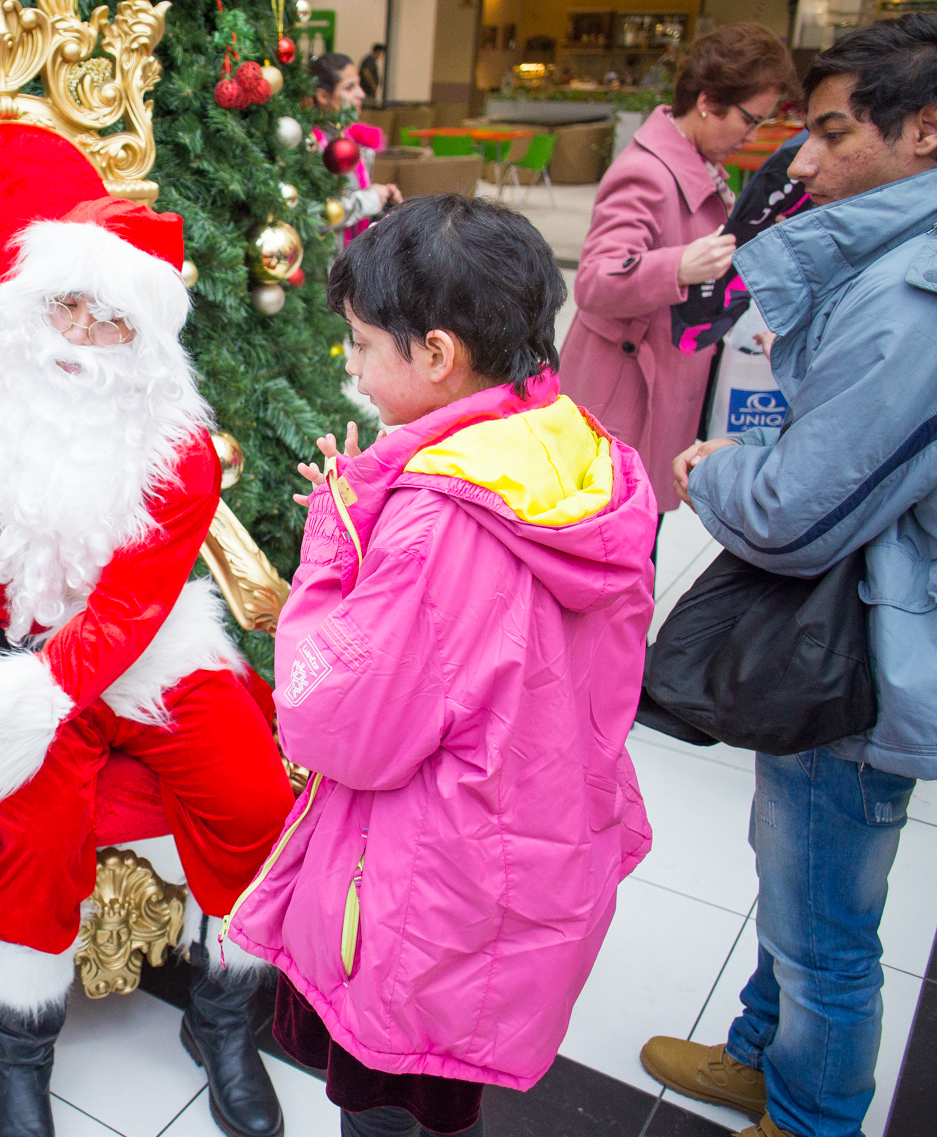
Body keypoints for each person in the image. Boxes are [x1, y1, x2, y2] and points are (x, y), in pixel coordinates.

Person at [643, 15, 937, 1137]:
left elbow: (803, 512)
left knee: (827, 927)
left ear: (927, 130)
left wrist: (721, 471)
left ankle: (808, 1115)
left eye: (833, 133)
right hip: (873, 605)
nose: (799, 161)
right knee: (799, 881)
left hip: (862, 637)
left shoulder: (925, 298)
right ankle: (762, 1053)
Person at [226, 194, 656, 1137]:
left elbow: (339, 725)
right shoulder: (576, 449)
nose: (353, 368)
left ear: (434, 354)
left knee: (387, 1093)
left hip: (428, 884)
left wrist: (337, 545)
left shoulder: (437, 522)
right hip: (524, 839)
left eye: (362, 345)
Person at [0, 197, 297, 1137]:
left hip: (151, 650)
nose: (78, 334)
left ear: (146, 333)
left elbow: (130, 607)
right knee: (32, 834)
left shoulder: (180, 444)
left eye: (109, 317)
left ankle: (224, 1017)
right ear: (35, 295)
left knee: (256, 799)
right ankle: (21, 1055)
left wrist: (39, 698)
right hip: (10, 648)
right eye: (65, 303)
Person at [558, 21, 796, 533]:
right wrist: (679, 266)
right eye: (748, 120)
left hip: (657, 385)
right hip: (624, 397)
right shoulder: (649, 169)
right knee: (613, 541)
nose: (752, 136)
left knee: (633, 539)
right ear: (708, 101)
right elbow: (595, 282)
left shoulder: (697, 163)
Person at [310, 53, 400, 245]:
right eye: (350, 87)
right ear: (323, 96)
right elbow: (315, 215)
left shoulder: (353, 142)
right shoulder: (311, 146)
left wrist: (384, 200)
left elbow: (356, 203)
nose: (361, 93)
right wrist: (369, 199)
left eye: (358, 84)